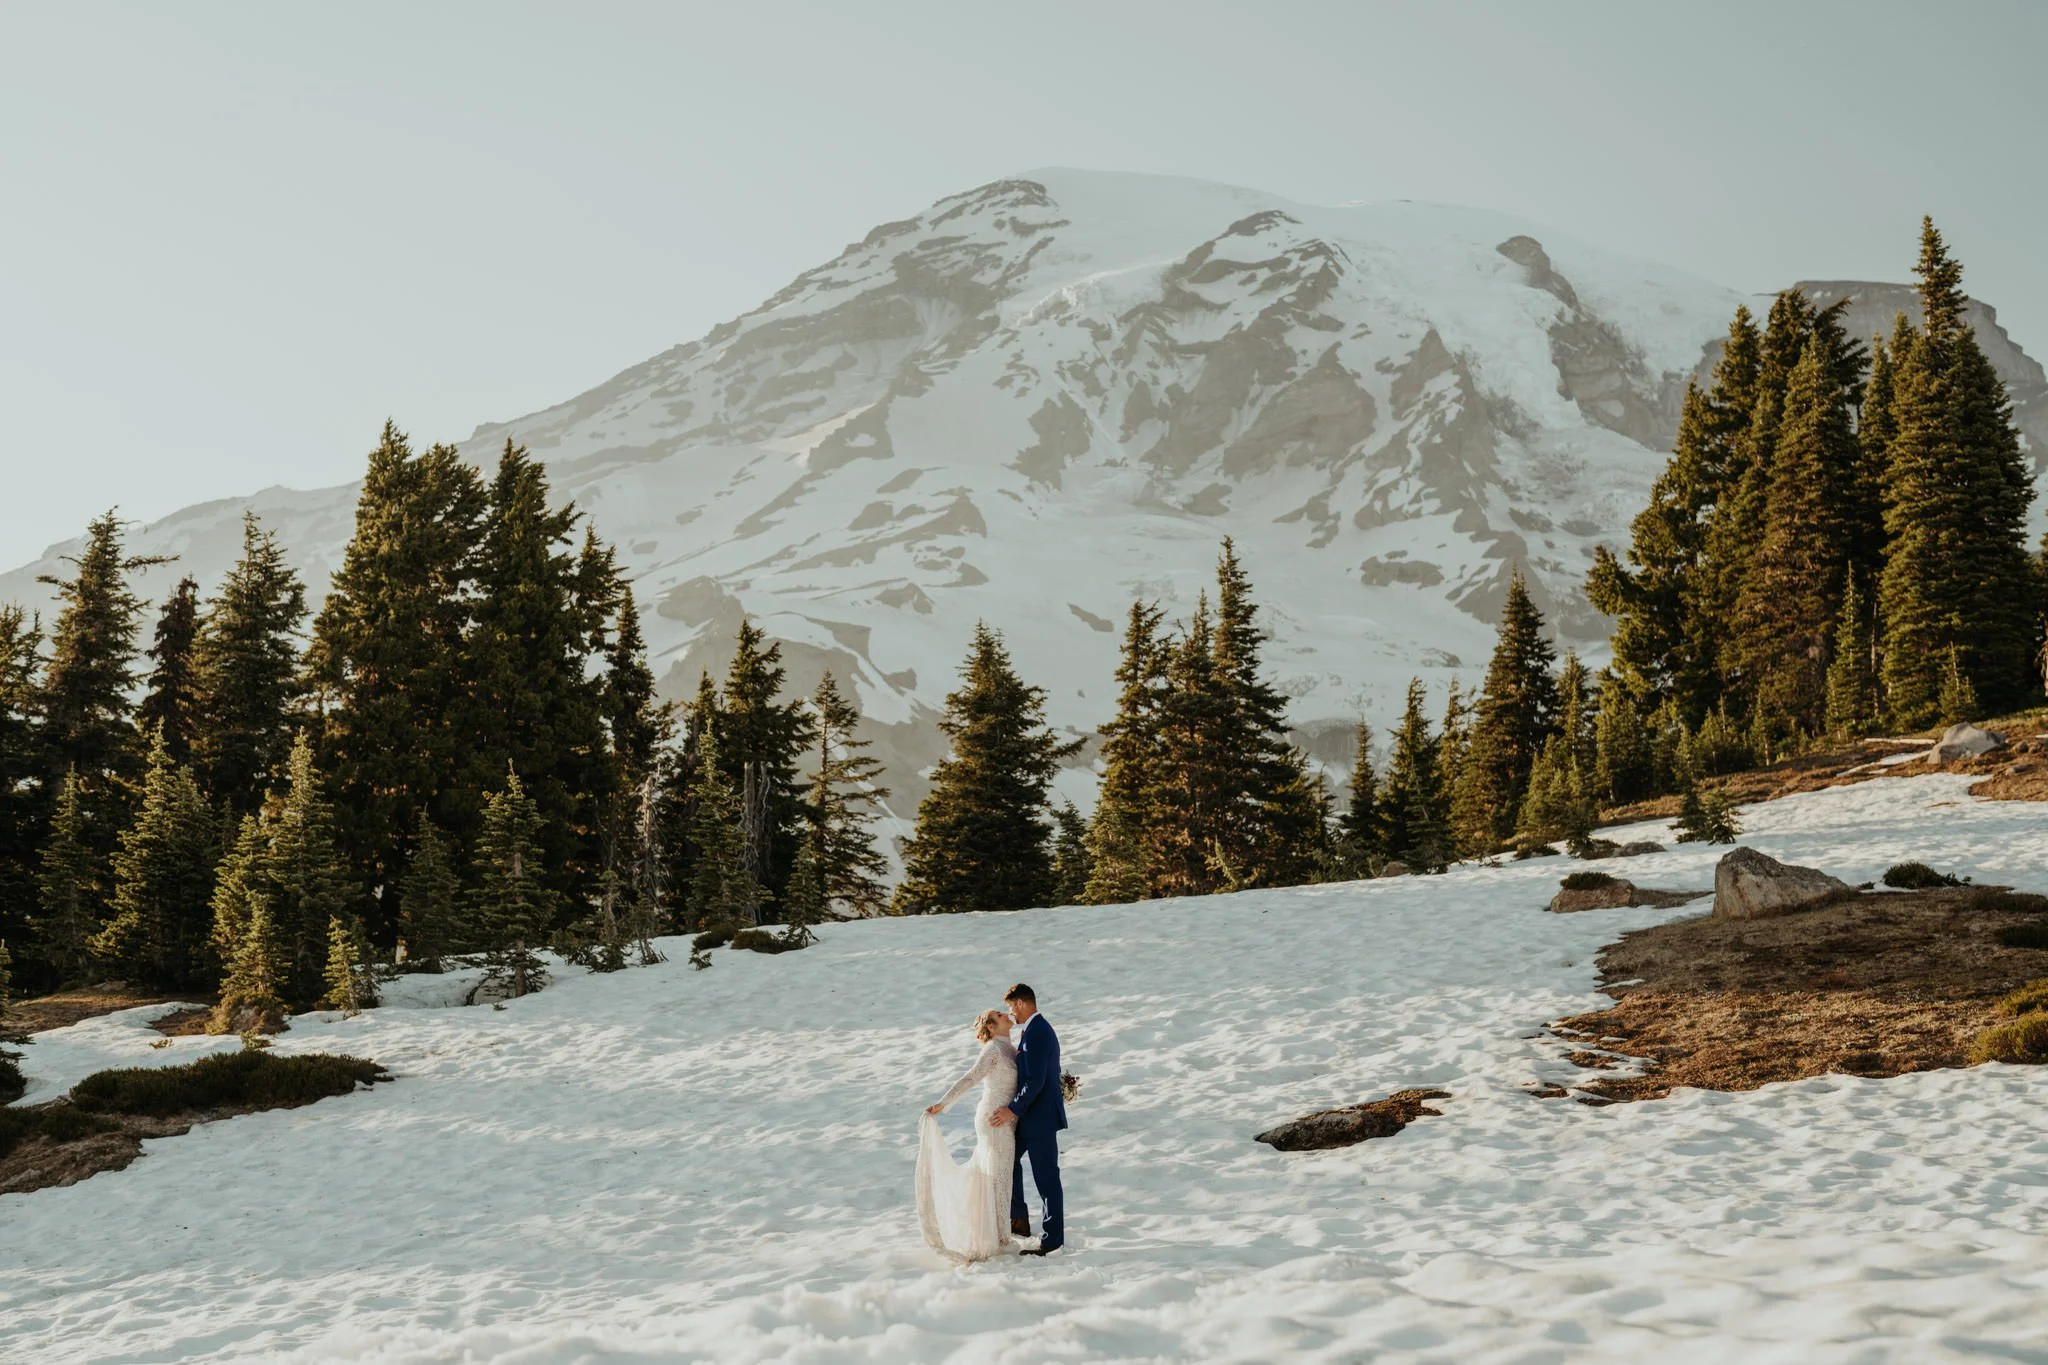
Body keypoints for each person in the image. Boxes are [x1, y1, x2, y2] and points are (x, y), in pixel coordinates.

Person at [915, 1008, 1019, 1262]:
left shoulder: (1010, 1048)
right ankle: (1000, 1238)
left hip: (1006, 1118)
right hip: (993, 1119)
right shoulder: (993, 1050)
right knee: (1000, 1177)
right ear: (992, 1027)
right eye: (1000, 1015)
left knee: (998, 1176)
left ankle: (996, 1232)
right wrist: (943, 1104)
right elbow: (971, 1078)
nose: (1007, 1014)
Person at [988, 982, 1065, 1255]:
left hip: (1040, 1119)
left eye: (1011, 1007)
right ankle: (1018, 1218)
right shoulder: (1032, 1030)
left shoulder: (1037, 1032)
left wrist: (1012, 1109)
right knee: (1008, 1160)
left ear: (1021, 1003)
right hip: (1030, 1119)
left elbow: (1035, 1081)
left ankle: (1052, 1240)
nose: (1011, 1013)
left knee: (1047, 1179)